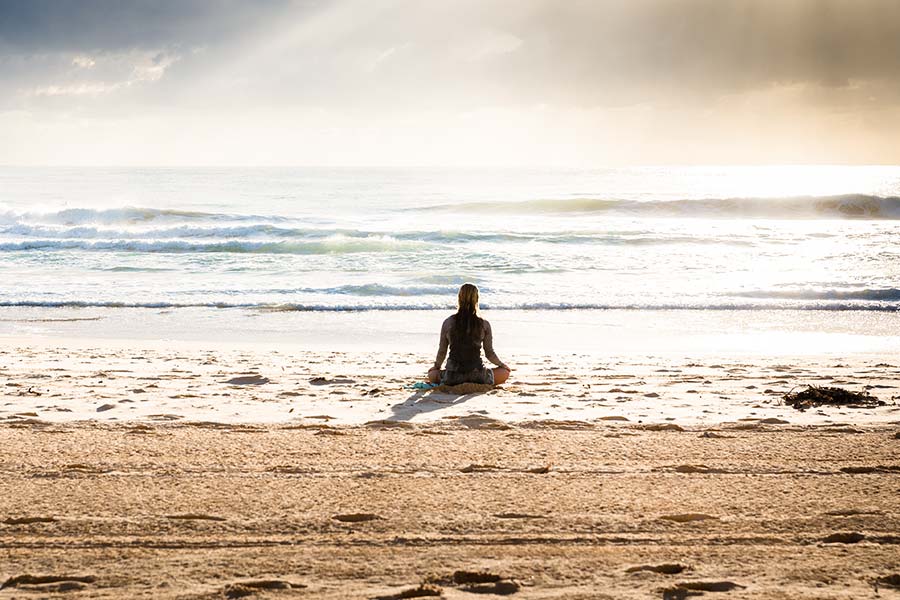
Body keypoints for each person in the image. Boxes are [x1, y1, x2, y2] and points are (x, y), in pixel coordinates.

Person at [427, 283, 511, 386]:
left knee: (431, 374)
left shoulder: (448, 322)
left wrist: (436, 366)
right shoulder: (484, 324)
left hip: (452, 377)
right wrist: (502, 365)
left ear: (459, 298)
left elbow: (442, 351)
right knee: (505, 372)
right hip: (477, 376)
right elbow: (489, 353)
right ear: (476, 299)